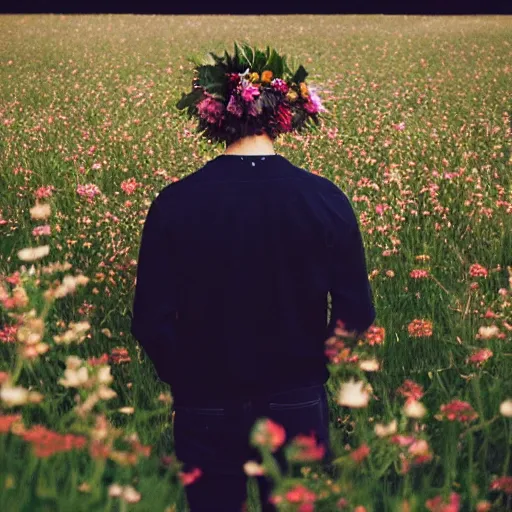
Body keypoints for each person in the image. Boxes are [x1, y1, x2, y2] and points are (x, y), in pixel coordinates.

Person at [130, 42, 376, 512]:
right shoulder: (325, 200)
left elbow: (151, 321)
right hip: (296, 397)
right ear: (285, 116)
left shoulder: (175, 202)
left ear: (212, 117)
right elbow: (356, 314)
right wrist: (310, 369)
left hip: (204, 401)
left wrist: (189, 379)